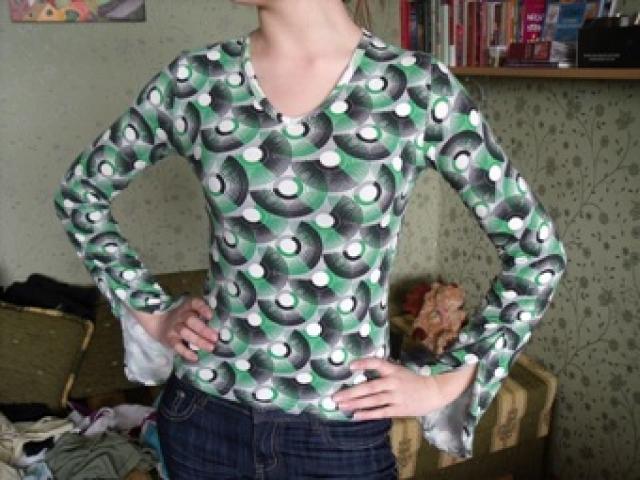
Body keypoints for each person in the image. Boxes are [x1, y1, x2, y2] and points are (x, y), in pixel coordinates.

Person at [52, 0, 568, 478]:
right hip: (203, 418)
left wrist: (444, 381)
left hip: (340, 436)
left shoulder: (415, 87)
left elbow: (536, 253)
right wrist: (153, 312)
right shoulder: (197, 79)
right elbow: (80, 193)